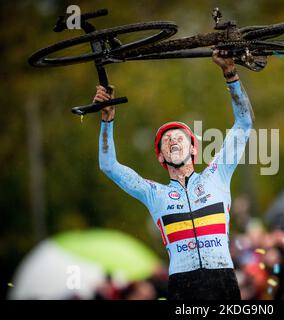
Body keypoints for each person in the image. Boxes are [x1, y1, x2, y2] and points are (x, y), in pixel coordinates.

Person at [94, 50, 254, 300]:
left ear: (193, 149)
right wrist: (107, 121)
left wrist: (230, 74)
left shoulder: (216, 174)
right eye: (166, 140)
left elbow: (243, 124)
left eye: (180, 137)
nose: (173, 141)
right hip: (182, 284)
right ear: (160, 157)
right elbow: (109, 165)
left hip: (223, 279)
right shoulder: (154, 193)